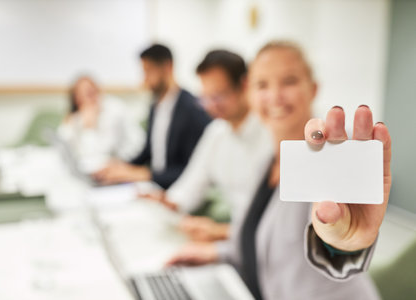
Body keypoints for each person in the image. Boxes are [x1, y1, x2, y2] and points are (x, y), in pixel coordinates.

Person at [167, 41, 391, 300]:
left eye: (289, 81)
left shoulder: (328, 158)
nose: (274, 96)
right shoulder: (266, 163)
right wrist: (218, 252)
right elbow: (259, 243)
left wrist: (342, 244)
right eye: (262, 85)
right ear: (248, 93)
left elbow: (332, 244)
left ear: (313, 89)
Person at [144, 50, 272, 242]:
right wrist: (167, 201)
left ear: (244, 86)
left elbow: (275, 223)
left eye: (219, 96)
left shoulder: (271, 134)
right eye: (206, 97)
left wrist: (219, 231)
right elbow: (191, 185)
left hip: (260, 242)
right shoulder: (217, 132)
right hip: (236, 240)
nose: (212, 106)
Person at [93, 44, 211, 189]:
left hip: (176, 191)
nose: (144, 80)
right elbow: (148, 152)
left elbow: (193, 170)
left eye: (148, 71)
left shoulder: (192, 109)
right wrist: (122, 167)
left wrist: (146, 174)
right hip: (154, 186)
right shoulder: (156, 105)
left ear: (167, 67)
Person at [57, 76, 144, 173]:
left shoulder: (113, 110)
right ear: (76, 99)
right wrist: (71, 122)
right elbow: (62, 144)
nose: (90, 98)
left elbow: (100, 153)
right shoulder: (79, 114)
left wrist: (89, 127)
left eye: (91, 92)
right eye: (82, 95)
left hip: (130, 160)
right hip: (109, 163)